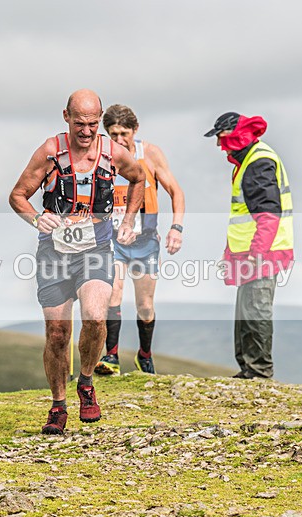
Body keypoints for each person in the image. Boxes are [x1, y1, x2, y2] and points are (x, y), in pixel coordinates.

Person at [9, 89, 146, 434]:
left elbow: (139, 178)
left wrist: (128, 220)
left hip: (95, 248)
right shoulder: (50, 151)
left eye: (93, 123)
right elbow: (17, 195)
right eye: (80, 123)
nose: (86, 131)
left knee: (96, 318)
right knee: (58, 333)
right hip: (54, 251)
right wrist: (36, 218)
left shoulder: (112, 152)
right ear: (66, 116)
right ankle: (58, 405)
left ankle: (86, 382)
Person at [94, 104, 185, 376]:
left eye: (124, 133)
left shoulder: (151, 154)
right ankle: (110, 356)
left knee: (145, 306)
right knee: (113, 294)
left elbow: (176, 192)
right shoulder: (103, 156)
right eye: (113, 134)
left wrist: (176, 228)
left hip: (145, 241)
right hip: (113, 240)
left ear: (135, 130)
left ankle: (144, 355)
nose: (119, 140)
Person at [205, 112, 294, 379]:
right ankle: (248, 368)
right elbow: (243, 215)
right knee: (246, 311)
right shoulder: (248, 161)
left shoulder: (258, 161)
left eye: (223, 139)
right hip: (249, 251)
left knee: (256, 310)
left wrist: (257, 252)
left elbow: (268, 213)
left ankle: (259, 371)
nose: (220, 147)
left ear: (236, 137)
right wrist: (231, 251)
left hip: (263, 252)